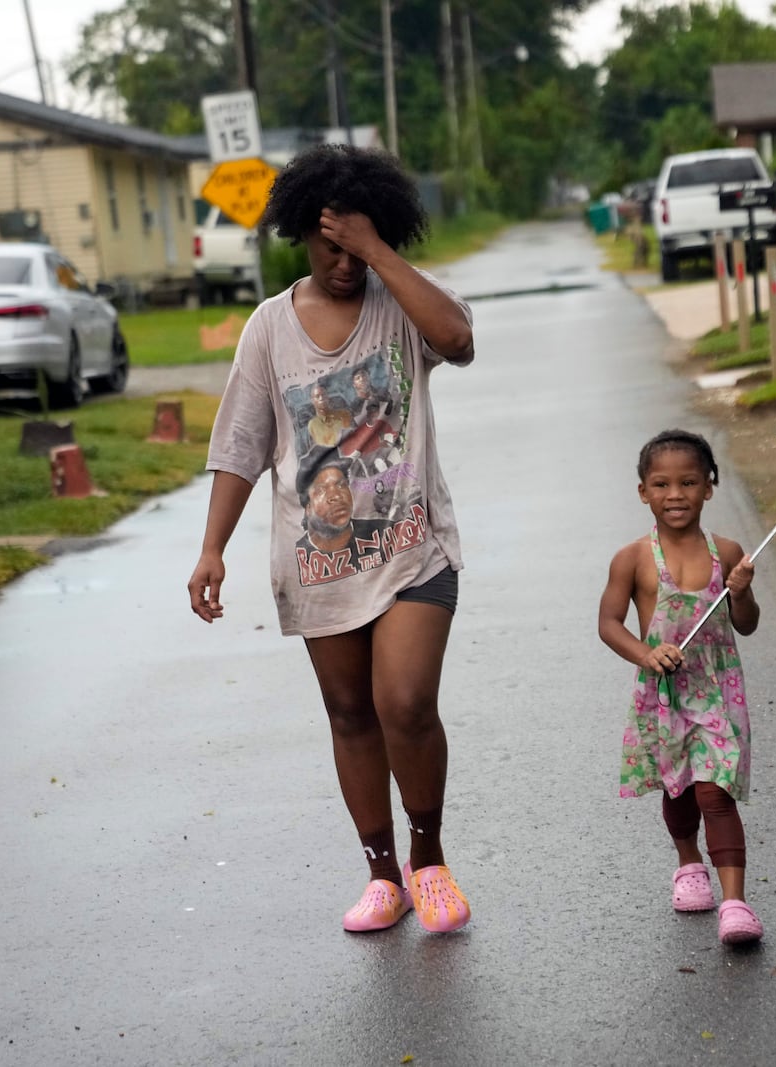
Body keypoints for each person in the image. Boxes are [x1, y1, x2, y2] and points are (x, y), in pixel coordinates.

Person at [188, 143, 475, 935]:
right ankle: (382, 875)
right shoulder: (268, 329)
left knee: (405, 702)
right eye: (332, 248)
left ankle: (429, 858)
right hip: (317, 563)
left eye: (360, 246)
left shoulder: (400, 305)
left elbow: (457, 338)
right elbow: (241, 445)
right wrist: (211, 549)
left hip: (416, 548)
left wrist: (377, 248)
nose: (345, 264)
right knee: (351, 713)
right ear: (301, 236)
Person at [596, 429, 764, 946]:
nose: (676, 494)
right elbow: (609, 623)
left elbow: (748, 624)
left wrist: (742, 593)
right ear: (643, 491)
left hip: (717, 690)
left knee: (715, 789)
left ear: (709, 487)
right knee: (679, 785)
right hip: (665, 691)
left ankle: (735, 903)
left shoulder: (728, 552)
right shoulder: (633, 559)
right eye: (661, 484)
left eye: (689, 482)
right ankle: (688, 862)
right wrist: (645, 653)